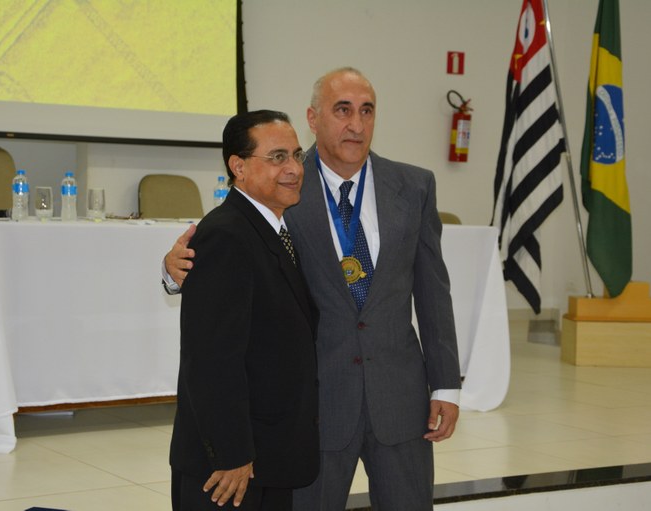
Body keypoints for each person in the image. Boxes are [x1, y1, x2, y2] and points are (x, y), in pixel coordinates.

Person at [165, 68, 461, 510]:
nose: (356, 124)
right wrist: (173, 270)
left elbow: (434, 291)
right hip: (315, 406)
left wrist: (446, 385)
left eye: (366, 111)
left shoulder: (415, 187)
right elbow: (232, 251)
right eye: (342, 110)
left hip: (400, 398)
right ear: (313, 118)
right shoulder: (282, 184)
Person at [169, 110, 319, 511]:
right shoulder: (226, 235)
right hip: (229, 469)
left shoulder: (272, 228)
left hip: (269, 455)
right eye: (278, 157)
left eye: (297, 155)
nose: (294, 169)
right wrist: (231, 453)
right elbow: (211, 359)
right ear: (238, 167)